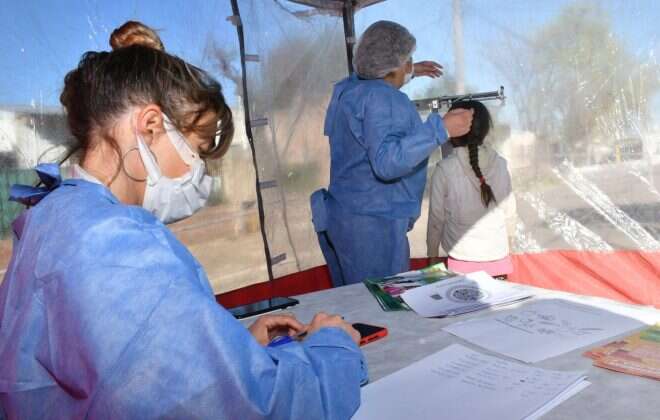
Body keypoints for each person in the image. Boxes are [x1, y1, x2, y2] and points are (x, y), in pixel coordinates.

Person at [0, 21, 365, 420]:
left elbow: (120, 367)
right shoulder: (115, 247)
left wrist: (229, 353)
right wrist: (333, 345)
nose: (200, 171)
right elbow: (258, 410)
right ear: (150, 126)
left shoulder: (56, 212)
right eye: (198, 149)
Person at [311, 20, 474, 287]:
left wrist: (409, 72)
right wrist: (441, 129)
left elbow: (370, 84)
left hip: (345, 219)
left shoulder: (347, 92)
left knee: (355, 298)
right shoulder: (385, 99)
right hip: (375, 227)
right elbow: (387, 162)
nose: (410, 65)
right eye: (407, 60)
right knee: (382, 302)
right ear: (392, 66)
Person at [426, 100, 517, 278]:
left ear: (451, 131)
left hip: (461, 264)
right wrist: (509, 247)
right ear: (485, 130)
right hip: (499, 262)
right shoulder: (501, 164)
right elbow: (510, 213)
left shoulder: (444, 169)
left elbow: (436, 219)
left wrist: (432, 257)